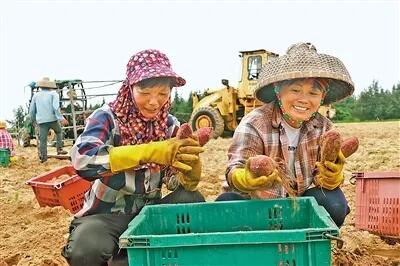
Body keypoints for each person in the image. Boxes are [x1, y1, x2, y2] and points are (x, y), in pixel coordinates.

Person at [61, 49, 205, 266]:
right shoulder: (108, 117)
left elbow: (172, 181)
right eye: (145, 93)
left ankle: (124, 261)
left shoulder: (169, 125)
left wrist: (188, 173)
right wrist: (148, 151)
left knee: (192, 200)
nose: (154, 102)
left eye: (163, 94)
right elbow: (83, 160)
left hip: (150, 213)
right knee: (85, 249)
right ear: (130, 88)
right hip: (106, 215)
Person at [217, 42, 354, 228]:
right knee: (226, 204)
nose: (303, 100)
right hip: (258, 208)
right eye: (295, 90)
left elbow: (325, 175)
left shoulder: (324, 128)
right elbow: (234, 170)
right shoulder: (254, 123)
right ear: (278, 90)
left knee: (334, 203)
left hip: (299, 209)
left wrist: (332, 177)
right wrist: (247, 178)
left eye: (313, 92)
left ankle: (307, 242)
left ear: (322, 97)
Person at [29, 77, 68, 162]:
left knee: (43, 139)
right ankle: (59, 149)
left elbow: (32, 110)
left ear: (40, 86)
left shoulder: (36, 96)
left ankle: (43, 158)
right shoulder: (54, 94)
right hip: (52, 119)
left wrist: (32, 120)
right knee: (58, 131)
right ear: (50, 86)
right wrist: (61, 118)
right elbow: (55, 107)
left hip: (41, 121)